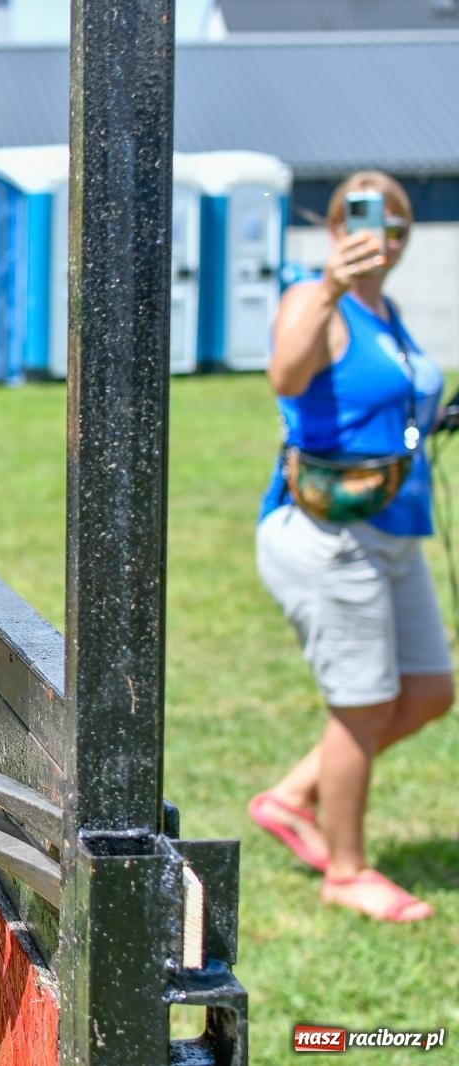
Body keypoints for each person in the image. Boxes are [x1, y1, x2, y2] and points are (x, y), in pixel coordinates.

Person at [249, 171, 451, 923]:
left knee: (429, 693)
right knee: (363, 707)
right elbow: (287, 373)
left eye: (396, 224)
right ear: (335, 230)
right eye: (364, 221)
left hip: (392, 528)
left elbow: (385, 404)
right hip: (330, 535)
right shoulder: (316, 295)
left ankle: (294, 796)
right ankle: (347, 870)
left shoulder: (387, 310)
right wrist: (330, 286)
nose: (383, 237)